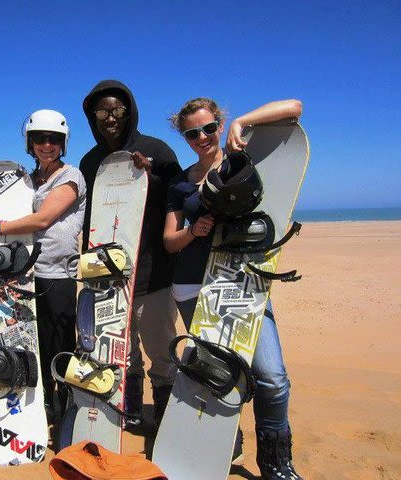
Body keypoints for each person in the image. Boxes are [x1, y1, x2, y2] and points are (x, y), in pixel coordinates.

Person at [164, 97, 304, 479]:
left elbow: (294, 107)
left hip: (242, 283)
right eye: (193, 133)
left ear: (219, 123)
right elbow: (169, 242)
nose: (202, 137)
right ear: (185, 137)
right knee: (217, 377)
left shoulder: (240, 160)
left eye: (209, 128)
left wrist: (244, 121)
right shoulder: (180, 185)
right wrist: (194, 231)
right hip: (193, 286)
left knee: (272, 376)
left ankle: (276, 460)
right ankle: (224, 443)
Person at [79, 80, 182, 428]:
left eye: (117, 110)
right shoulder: (90, 161)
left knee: (162, 352)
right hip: (108, 280)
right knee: (125, 354)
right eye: (102, 112)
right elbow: (91, 217)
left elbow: (181, 199)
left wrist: (149, 177)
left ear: (129, 111)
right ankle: (133, 412)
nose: (110, 118)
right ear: (93, 116)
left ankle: (166, 417)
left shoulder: (158, 150)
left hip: (154, 274)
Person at [0, 109, 86, 424]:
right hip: (24, 275)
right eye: (40, 138)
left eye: (53, 139)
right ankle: (38, 405)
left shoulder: (70, 176)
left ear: (63, 143)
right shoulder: (26, 181)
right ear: (30, 142)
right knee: (28, 342)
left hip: (57, 274)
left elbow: (43, 219)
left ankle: (65, 408)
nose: (46, 144)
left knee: (59, 345)